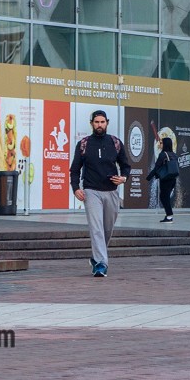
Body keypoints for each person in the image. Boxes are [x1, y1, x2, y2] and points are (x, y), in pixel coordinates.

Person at [70, 110, 130, 277]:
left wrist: (123, 178)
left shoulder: (115, 143)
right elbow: (75, 170)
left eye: (102, 122)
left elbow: (126, 165)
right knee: (96, 228)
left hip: (111, 192)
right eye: (96, 122)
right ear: (91, 124)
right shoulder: (84, 144)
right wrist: (76, 188)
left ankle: (96, 257)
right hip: (91, 191)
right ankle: (102, 265)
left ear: (107, 123)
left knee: (107, 229)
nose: (99, 125)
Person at [146, 136, 180, 222]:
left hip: (165, 179)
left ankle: (169, 215)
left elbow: (156, 167)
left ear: (165, 144)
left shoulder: (163, 154)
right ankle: (169, 215)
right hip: (173, 179)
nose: (160, 144)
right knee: (165, 196)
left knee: (164, 197)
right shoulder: (174, 154)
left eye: (161, 143)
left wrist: (148, 178)